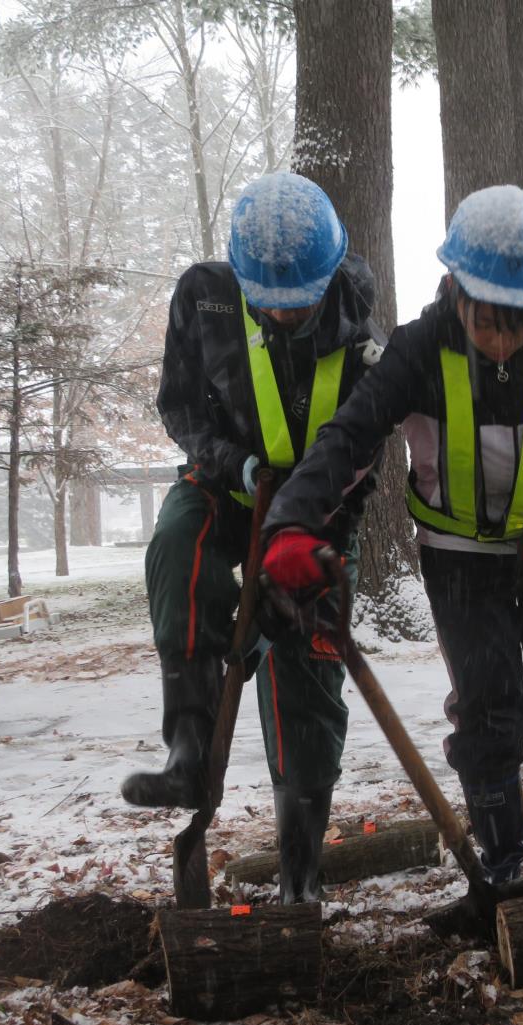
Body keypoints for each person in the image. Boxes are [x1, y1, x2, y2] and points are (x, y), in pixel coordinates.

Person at [260, 185, 523, 886]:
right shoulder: (418, 349)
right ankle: (503, 865)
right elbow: (352, 434)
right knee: (487, 710)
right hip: (461, 562)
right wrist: (291, 522)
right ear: (457, 290)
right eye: (488, 323)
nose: (501, 340)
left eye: (519, 325)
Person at [120, 172, 387, 905]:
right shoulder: (202, 297)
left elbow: (365, 455)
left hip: (314, 520)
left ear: (329, 275)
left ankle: (301, 870)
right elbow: (179, 406)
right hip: (224, 485)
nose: (283, 314)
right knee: (177, 547)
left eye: (298, 301)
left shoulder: (363, 334)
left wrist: (306, 541)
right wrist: (230, 463)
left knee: (306, 672)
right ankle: (187, 750)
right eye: (268, 301)